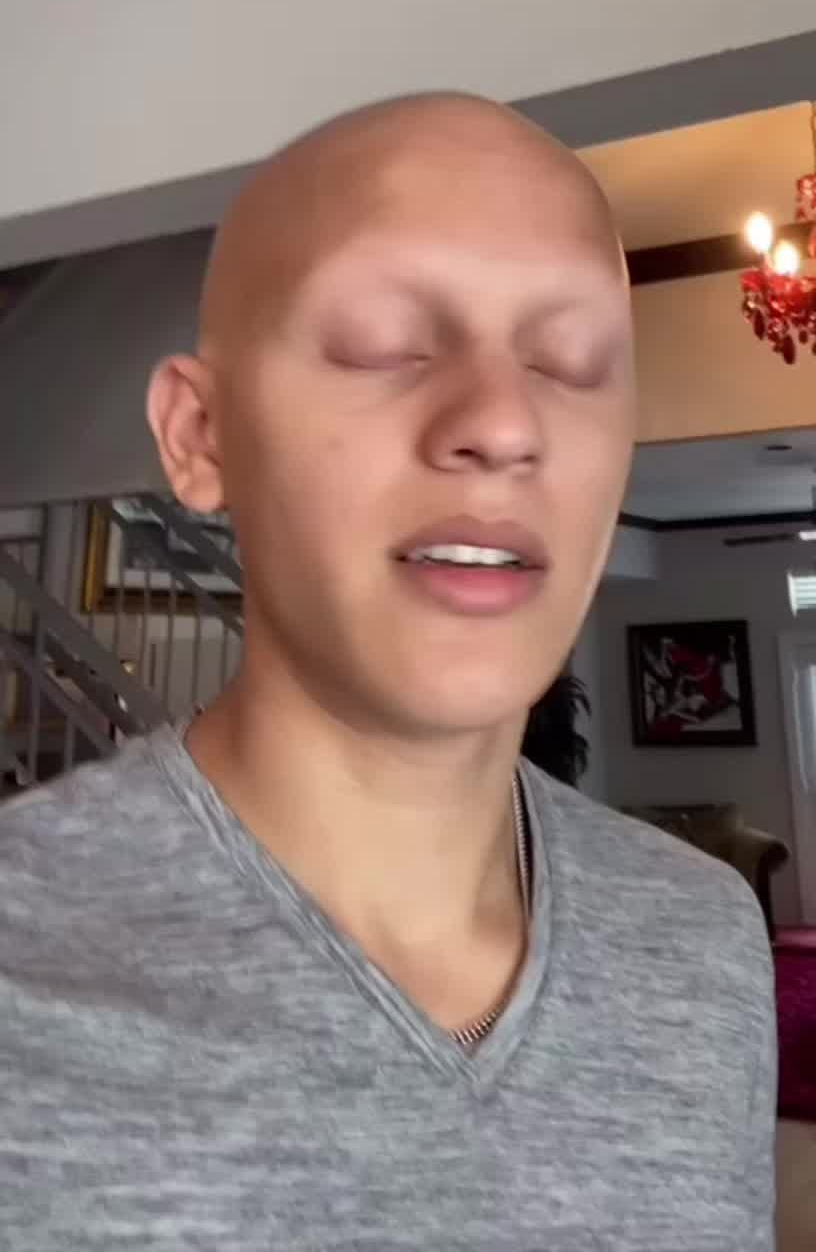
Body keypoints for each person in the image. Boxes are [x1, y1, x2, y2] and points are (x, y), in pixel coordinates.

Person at [0, 92, 776, 1250]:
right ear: (200, 436)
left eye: (571, 360)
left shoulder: (706, 938)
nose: (504, 422)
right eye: (385, 342)